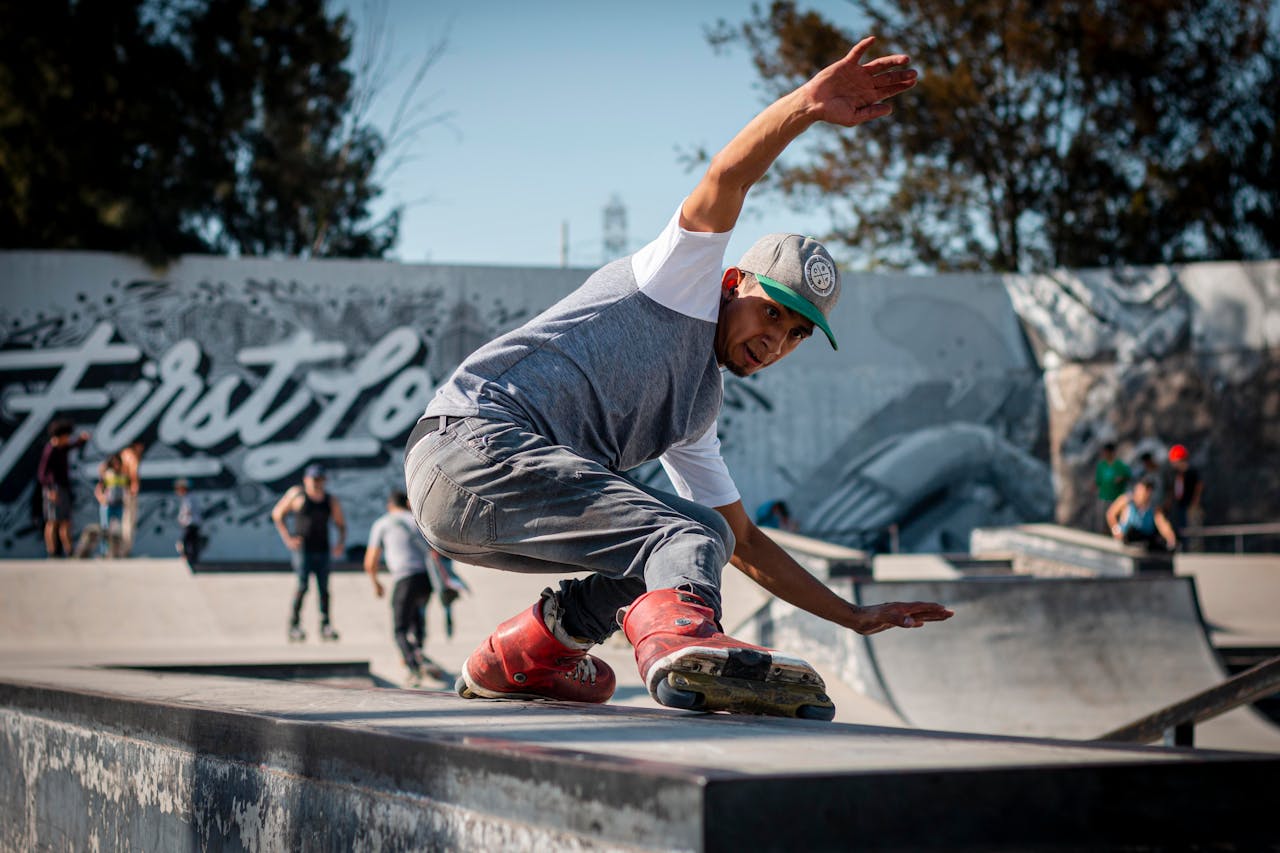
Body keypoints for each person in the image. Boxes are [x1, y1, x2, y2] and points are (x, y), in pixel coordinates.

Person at [404, 38, 953, 720]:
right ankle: (682, 645)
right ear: (732, 285)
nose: (773, 342)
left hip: (481, 503)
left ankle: (529, 650)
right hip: (472, 445)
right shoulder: (679, 280)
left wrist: (851, 614)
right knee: (681, 539)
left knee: (700, 535)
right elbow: (729, 175)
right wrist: (808, 106)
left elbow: (745, 543)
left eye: (794, 335)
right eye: (769, 314)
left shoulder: (696, 408)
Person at [364, 490, 450, 686]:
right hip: (426, 580)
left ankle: (413, 666)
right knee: (417, 616)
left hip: (404, 579)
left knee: (400, 628)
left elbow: (370, 561)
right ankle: (417, 649)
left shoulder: (383, 523)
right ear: (408, 504)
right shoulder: (418, 521)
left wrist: (375, 582)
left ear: (389, 505)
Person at [271, 464, 346, 642]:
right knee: (303, 586)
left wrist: (340, 543)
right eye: (314, 480)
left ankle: (325, 625)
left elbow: (340, 523)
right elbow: (277, 514)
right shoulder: (297, 495)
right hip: (303, 548)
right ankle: (294, 625)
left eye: (320, 480)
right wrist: (288, 538)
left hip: (322, 548)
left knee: (324, 589)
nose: (317, 484)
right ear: (306, 480)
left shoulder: (329, 500)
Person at [36, 419, 91, 557]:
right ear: (59, 436)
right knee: (52, 522)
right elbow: (42, 474)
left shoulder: (62, 448)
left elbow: (74, 445)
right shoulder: (50, 450)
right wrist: (50, 490)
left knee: (65, 521)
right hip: (54, 490)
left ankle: (69, 551)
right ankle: (52, 552)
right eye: (67, 436)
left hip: (64, 488)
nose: (68, 439)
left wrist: (82, 440)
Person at [1106, 477, 1177, 552]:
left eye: (1148, 490)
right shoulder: (1126, 501)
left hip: (1143, 542)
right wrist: (1116, 530)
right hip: (1126, 540)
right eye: (1142, 489)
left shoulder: (1154, 509)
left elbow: (1163, 525)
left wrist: (1171, 539)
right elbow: (1111, 514)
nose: (1145, 493)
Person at [1164, 444, 1204, 543]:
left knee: (1192, 529)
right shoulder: (1174, 473)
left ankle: (1192, 548)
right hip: (1178, 505)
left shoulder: (1191, 471)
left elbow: (1199, 487)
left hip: (1190, 506)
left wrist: (1195, 502)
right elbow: (1172, 490)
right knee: (1179, 527)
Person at [94, 453, 129, 558]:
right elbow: (98, 489)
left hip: (119, 505)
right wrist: (101, 499)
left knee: (119, 530)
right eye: (114, 463)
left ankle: (118, 551)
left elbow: (127, 489)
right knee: (105, 529)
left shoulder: (123, 475)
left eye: (118, 463)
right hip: (108, 505)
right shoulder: (107, 474)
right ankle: (104, 552)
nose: (116, 465)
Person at [1093, 442, 1131, 534]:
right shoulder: (1101, 465)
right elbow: (1098, 481)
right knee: (1102, 520)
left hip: (1116, 498)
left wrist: (1122, 478)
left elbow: (1129, 475)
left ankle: (1116, 535)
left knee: (1115, 519)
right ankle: (1103, 536)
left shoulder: (1120, 465)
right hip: (1104, 497)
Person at [119, 440, 145, 555]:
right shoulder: (133, 456)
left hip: (122, 490)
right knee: (130, 520)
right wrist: (135, 486)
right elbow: (134, 472)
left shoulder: (123, 454)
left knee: (125, 520)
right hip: (129, 491)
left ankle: (123, 548)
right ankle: (126, 549)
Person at [174, 478, 202, 567]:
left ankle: (188, 557)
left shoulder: (188, 498)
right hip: (194, 523)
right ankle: (193, 558)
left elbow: (188, 510)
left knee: (185, 541)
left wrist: (182, 519)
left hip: (191, 523)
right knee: (192, 541)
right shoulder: (189, 497)